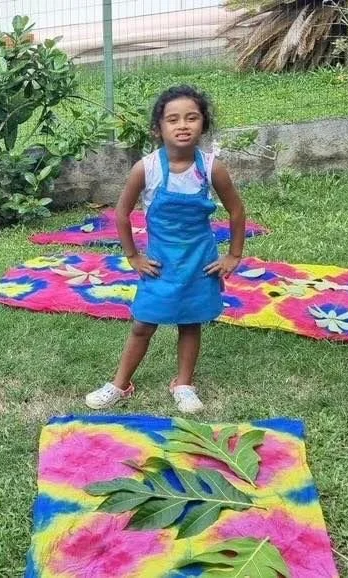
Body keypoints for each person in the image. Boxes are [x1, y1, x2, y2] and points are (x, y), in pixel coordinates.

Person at [85, 85, 246, 414]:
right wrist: (133, 256)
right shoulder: (147, 168)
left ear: (204, 123)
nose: (183, 125)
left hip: (199, 263)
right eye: (173, 119)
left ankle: (184, 383)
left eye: (192, 118)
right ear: (158, 129)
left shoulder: (211, 168)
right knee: (143, 323)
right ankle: (120, 384)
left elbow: (236, 211)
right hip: (160, 264)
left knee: (191, 322)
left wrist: (233, 255)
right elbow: (121, 213)